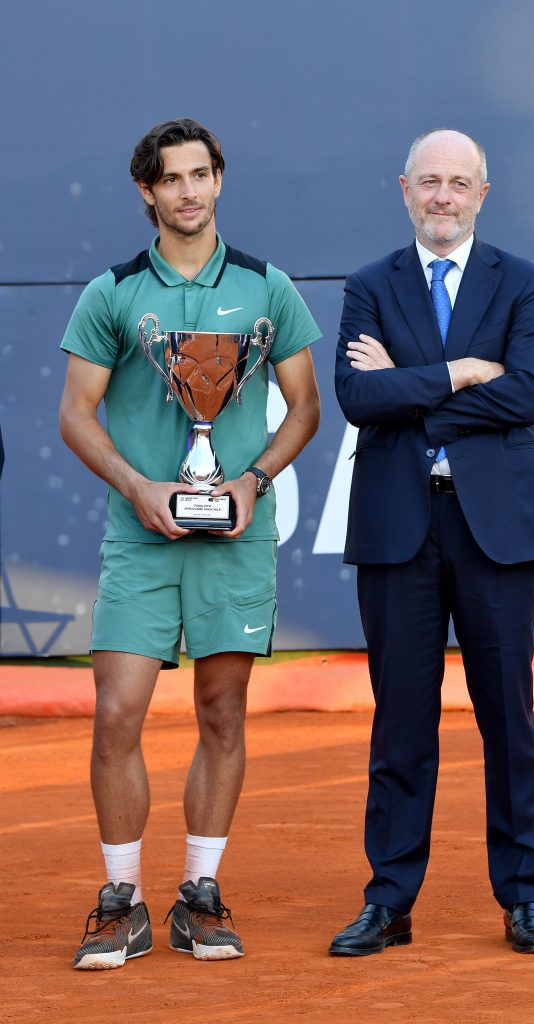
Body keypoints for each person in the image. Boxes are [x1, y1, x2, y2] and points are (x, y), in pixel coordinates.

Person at [59, 118, 321, 970]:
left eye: (201, 175)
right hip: (138, 540)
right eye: (171, 179)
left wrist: (250, 481)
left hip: (235, 537)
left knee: (221, 714)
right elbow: (75, 415)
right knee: (116, 715)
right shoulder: (111, 291)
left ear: (218, 180)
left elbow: (307, 408)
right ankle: (121, 902)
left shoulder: (267, 286)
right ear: (147, 190)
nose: (188, 192)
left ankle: (200, 895)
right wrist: (139, 488)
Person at [330, 129, 534, 957]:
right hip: (399, 528)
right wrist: (466, 371)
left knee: (508, 719)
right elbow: (358, 396)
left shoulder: (522, 281)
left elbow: (527, 394)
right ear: (403, 188)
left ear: (481, 193)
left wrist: (414, 388)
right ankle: (389, 901)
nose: (442, 196)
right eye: (428, 181)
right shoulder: (368, 285)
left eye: (457, 183)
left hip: (496, 531)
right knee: (401, 723)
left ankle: (523, 898)